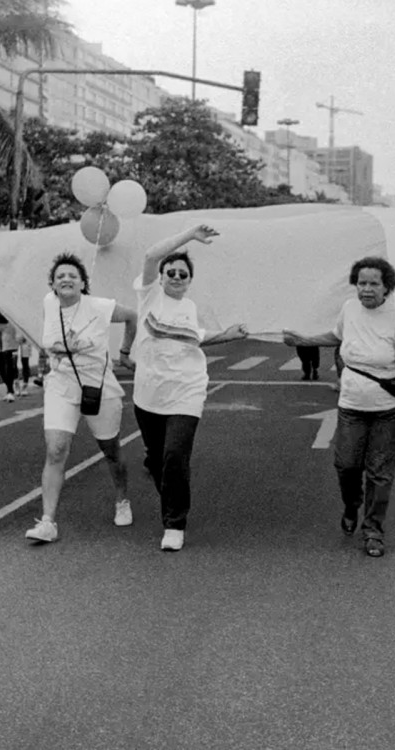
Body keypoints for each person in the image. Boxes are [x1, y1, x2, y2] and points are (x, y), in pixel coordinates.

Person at [284, 256, 395, 558]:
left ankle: (373, 531)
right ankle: (352, 503)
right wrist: (303, 339)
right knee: (346, 465)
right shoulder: (349, 309)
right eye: (362, 283)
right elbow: (337, 336)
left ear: (387, 287)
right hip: (351, 406)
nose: (367, 289)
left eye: (374, 284)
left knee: (380, 473)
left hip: (389, 410)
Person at [132, 224, 248, 552]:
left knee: (174, 455)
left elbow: (197, 337)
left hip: (187, 391)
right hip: (148, 393)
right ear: (162, 274)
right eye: (172, 271)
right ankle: (172, 497)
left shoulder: (190, 308)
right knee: (156, 460)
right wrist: (189, 236)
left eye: (184, 274)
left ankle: (174, 523)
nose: (177, 277)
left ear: (189, 280)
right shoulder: (149, 294)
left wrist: (228, 333)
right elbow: (151, 254)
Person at [24, 254, 138, 544]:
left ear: (83, 283)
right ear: (52, 283)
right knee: (56, 449)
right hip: (61, 384)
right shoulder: (49, 303)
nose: (66, 279)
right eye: (60, 275)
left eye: (73, 275)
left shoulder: (100, 307)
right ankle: (48, 521)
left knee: (111, 449)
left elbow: (132, 317)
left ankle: (122, 499)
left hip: (97, 386)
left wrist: (124, 353)